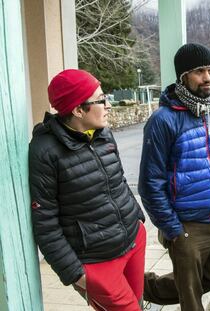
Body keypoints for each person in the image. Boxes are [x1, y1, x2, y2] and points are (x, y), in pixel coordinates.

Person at [29, 69, 146, 311]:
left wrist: (138, 219)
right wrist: (75, 274)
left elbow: (119, 181)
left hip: (133, 239)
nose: (108, 105)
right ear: (78, 109)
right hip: (96, 261)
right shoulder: (45, 151)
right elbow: (45, 223)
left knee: (137, 303)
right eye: (100, 100)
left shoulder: (103, 133)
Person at [138, 43, 210, 311]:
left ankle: (141, 286)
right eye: (199, 71)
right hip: (187, 226)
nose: (207, 77)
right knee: (192, 300)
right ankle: (141, 287)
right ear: (183, 76)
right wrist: (174, 229)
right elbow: (150, 184)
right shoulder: (163, 119)